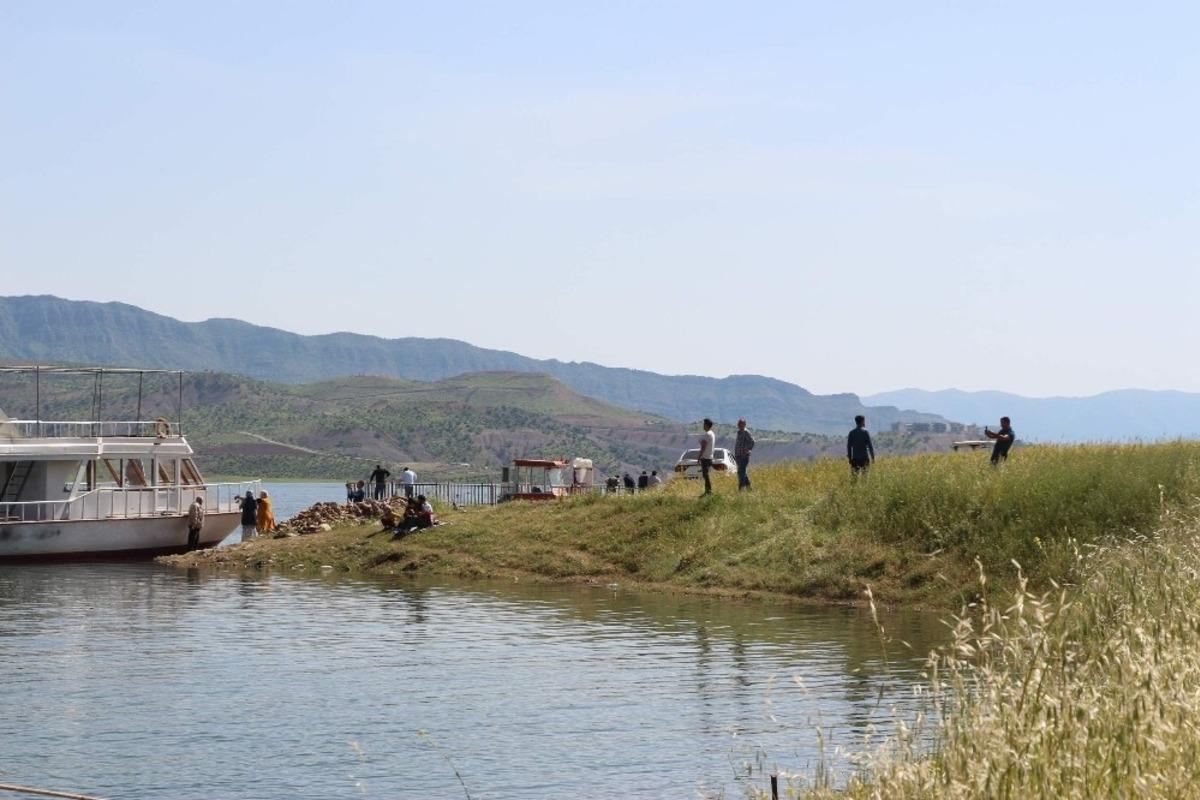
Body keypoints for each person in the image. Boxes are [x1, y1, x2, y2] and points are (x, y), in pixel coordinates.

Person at [733, 418, 756, 491]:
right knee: (743, 472)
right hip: (738, 456)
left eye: (741, 424)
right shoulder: (739, 432)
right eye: (739, 423)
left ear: (744, 424)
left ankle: (741, 489)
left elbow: (752, 442)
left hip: (744, 456)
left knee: (740, 472)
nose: (739, 425)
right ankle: (749, 488)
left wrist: (748, 450)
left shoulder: (746, 432)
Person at [699, 418, 716, 496]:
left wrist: (699, 456)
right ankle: (707, 490)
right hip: (709, 457)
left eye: (704, 424)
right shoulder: (712, 433)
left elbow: (703, 446)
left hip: (705, 457)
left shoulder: (707, 434)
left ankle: (709, 491)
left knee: (705, 475)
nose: (703, 425)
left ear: (706, 425)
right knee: (706, 474)